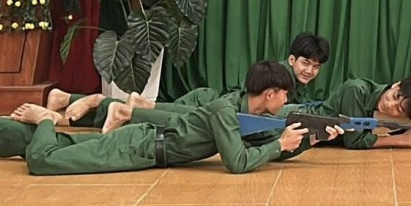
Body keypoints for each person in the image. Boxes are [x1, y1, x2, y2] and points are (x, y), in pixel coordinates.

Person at [0, 61, 342, 176]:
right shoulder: (227, 111)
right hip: (138, 147)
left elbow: (261, 144)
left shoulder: (240, 110)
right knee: (46, 160)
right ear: (270, 94)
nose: (288, 100)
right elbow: (238, 163)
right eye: (285, 94)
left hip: (144, 144)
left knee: (67, 148)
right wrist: (279, 145)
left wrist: (307, 140)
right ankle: (45, 118)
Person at [48, 31, 332, 129]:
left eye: (316, 67)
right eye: (305, 63)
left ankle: (65, 100)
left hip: (211, 102)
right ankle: (94, 101)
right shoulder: (280, 80)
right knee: (140, 117)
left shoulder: (289, 81)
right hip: (207, 104)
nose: (310, 70)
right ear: (292, 59)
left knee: (139, 114)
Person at [301, 76, 411, 149]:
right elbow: (354, 141)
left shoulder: (388, 114)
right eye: (394, 96)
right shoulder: (356, 90)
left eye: (398, 110)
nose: (389, 105)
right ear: (396, 85)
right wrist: (400, 140)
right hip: (297, 122)